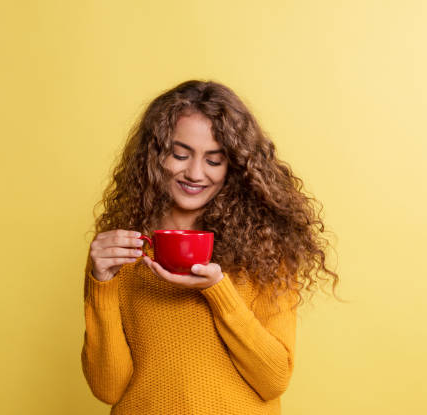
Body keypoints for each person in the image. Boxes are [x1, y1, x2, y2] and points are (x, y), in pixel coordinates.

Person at [81, 79, 340, 414]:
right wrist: (100, 283)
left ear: (235, 166)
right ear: (154, 155)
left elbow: (273, 379)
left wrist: (218, 290)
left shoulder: (265, 247)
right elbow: (108, 387)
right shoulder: (121, 249)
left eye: (214, 160)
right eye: (180, 154)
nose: (195, 173)